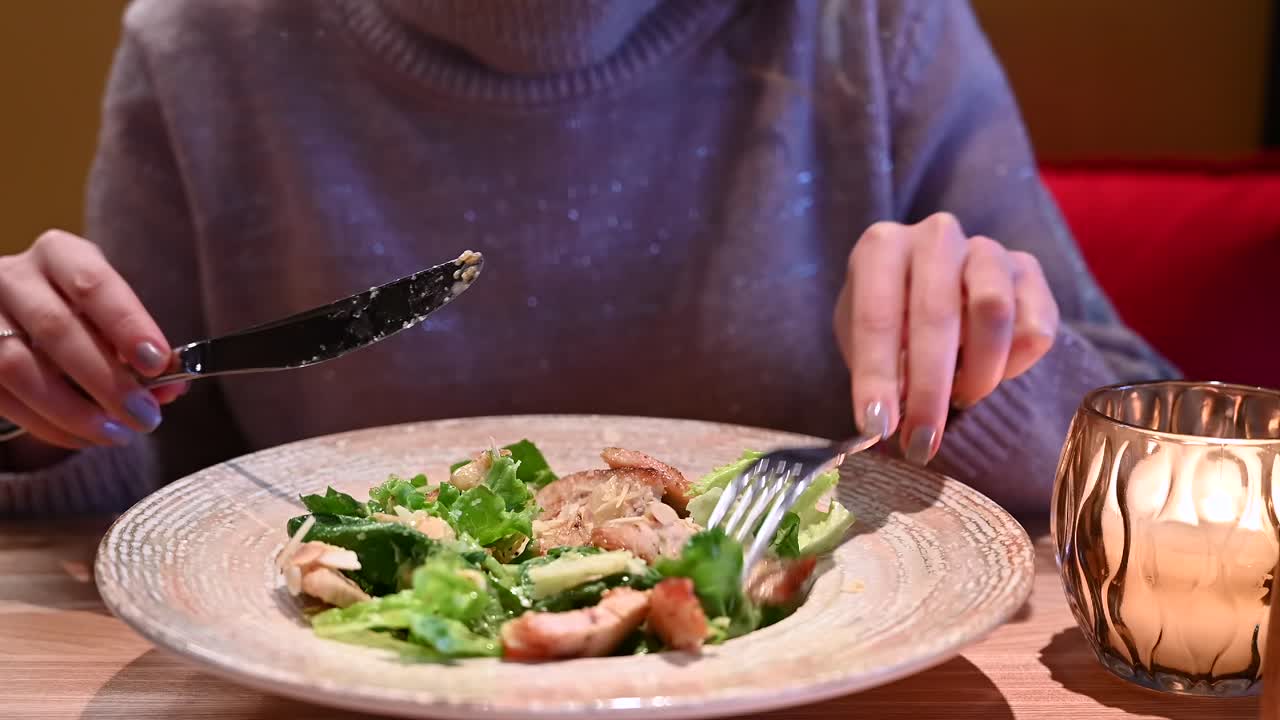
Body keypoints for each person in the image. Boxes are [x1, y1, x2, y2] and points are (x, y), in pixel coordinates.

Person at [0, 0, 1174, 516]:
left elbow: (1157, 447)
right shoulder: (199, 45)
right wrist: (43, 417)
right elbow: (158, 489)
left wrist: (996, 363)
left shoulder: (871, 22)